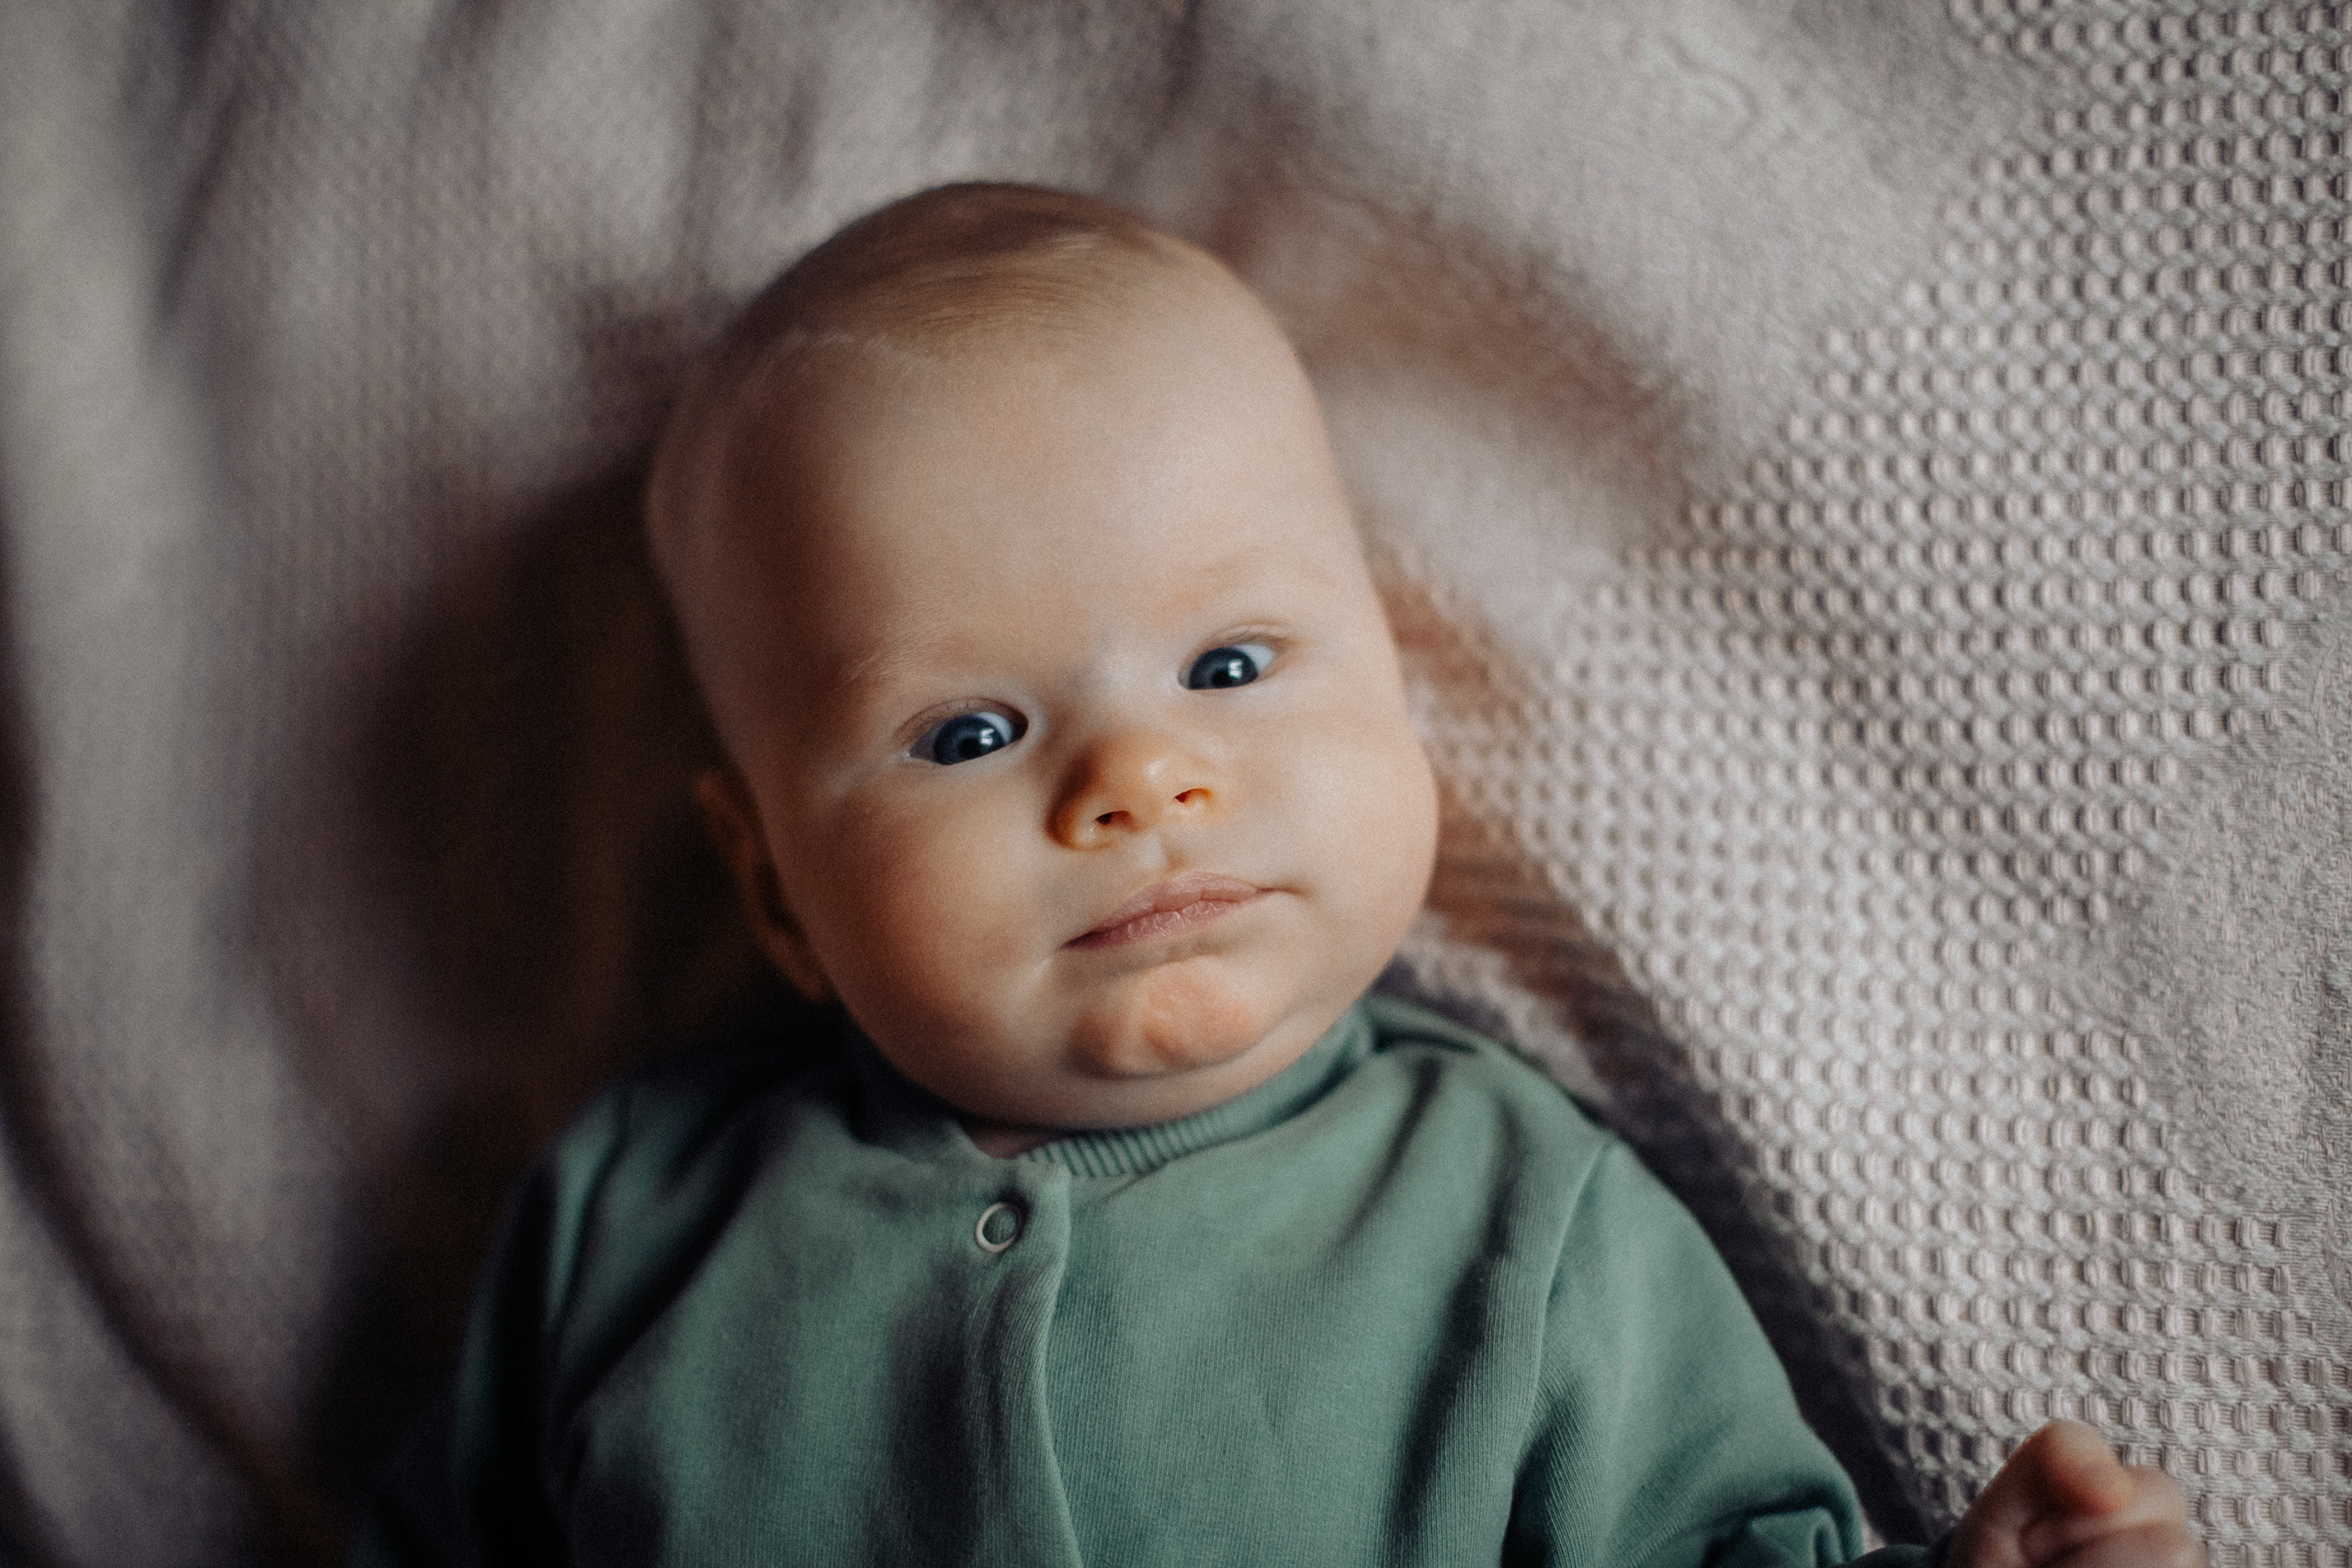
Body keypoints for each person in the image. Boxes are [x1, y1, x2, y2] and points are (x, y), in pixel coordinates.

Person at [355, 183, 2200, 1567]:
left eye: (1227, 669)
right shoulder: (634, 1217)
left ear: (1392, 688)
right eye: (966, 732)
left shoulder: (1511, 1217)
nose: (1137, 779)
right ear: (771, 894)